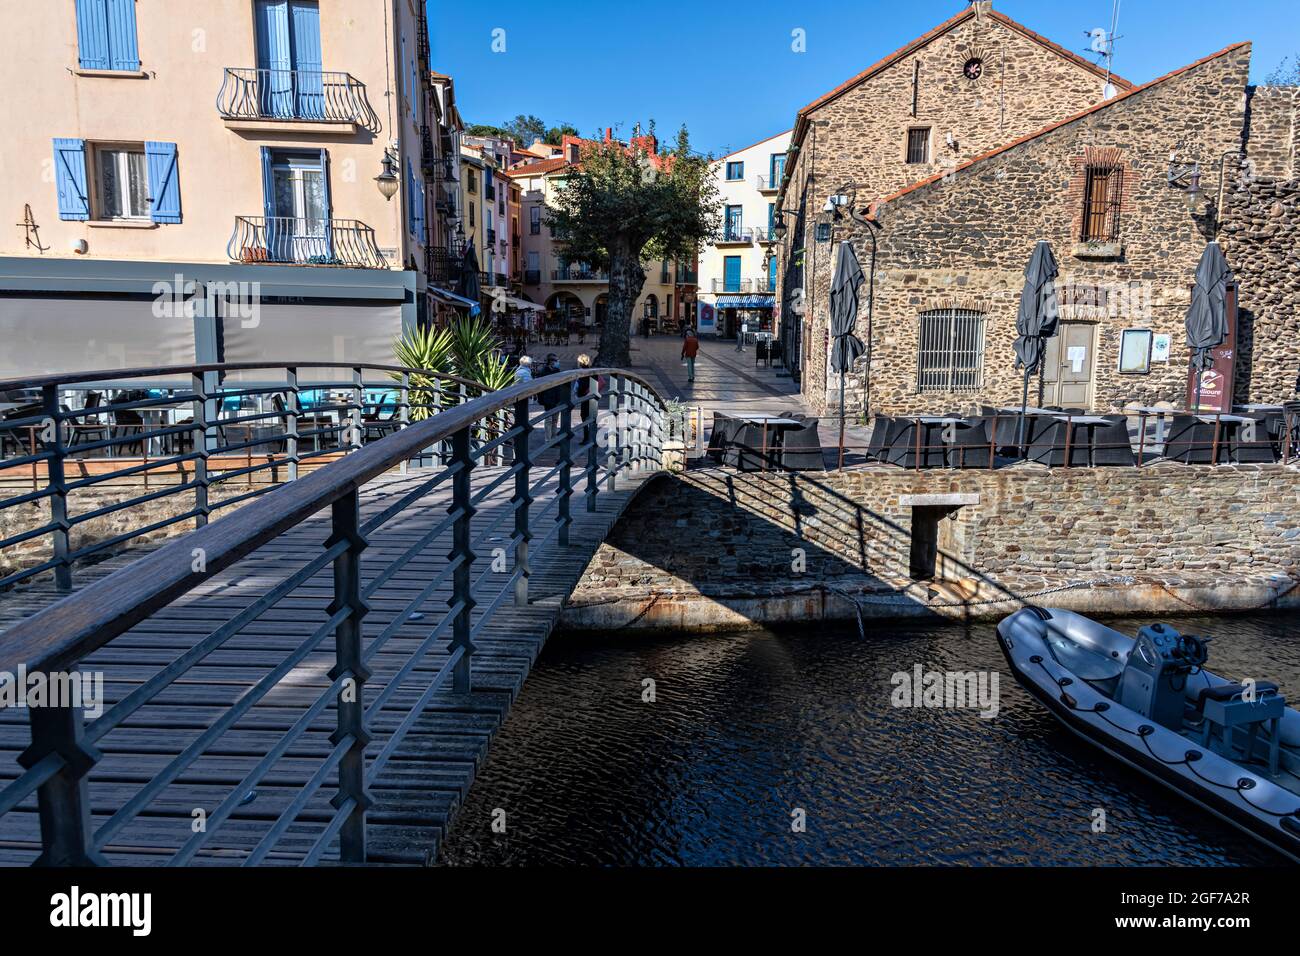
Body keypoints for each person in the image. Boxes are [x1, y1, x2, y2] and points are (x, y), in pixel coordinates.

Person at [536, 353, 565, 441]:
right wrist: (541, 399)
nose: (558, 362)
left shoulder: (557, 371)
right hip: (547, 399)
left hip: (557, 399)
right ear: (551, 362)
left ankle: (554, 438)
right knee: (549, 420)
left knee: (555, 420)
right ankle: (548, 439)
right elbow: (540, 387)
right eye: (556, 360)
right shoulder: (543, 372)